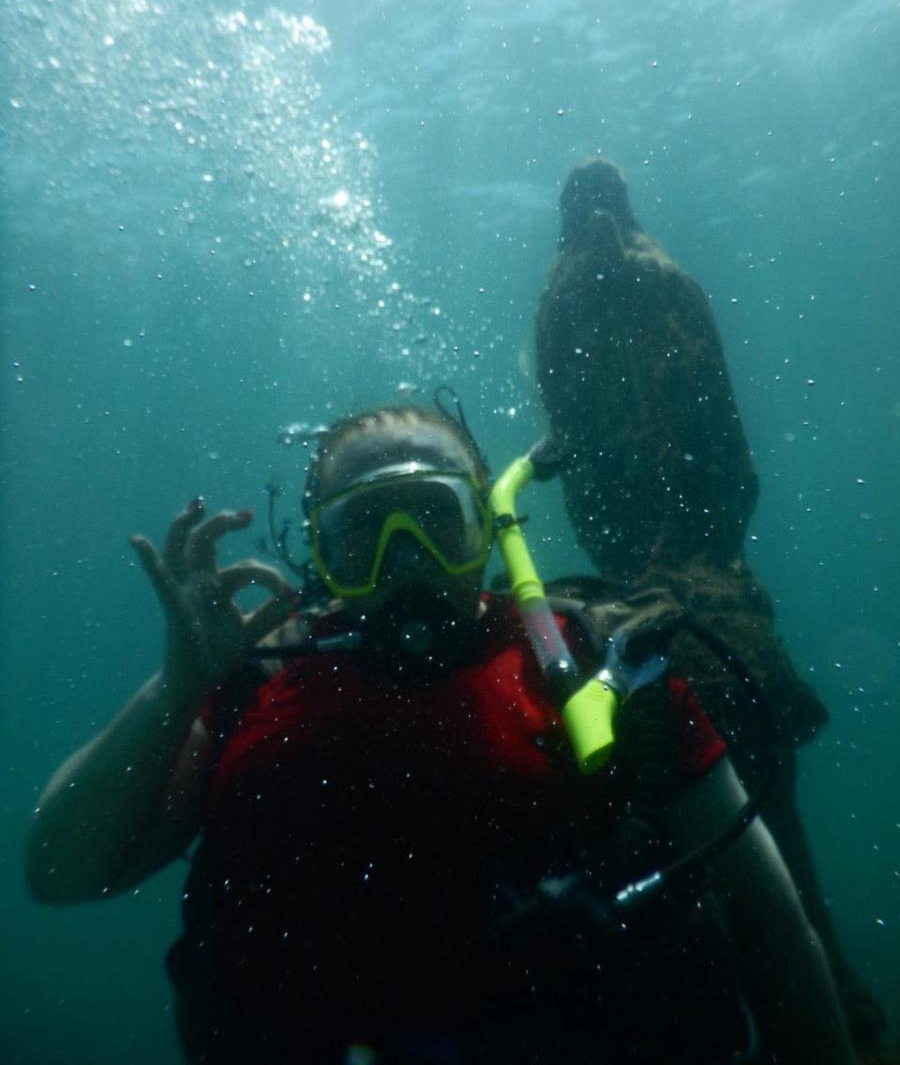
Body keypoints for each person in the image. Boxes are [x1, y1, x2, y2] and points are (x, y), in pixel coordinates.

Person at [27, 399, 857, 1064]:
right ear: (317, 550)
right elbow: (59, 870)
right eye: (364, 533)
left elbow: (775, 935)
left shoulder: (606, 668)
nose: (405, 560)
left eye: (434, 520)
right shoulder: (252, 680)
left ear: (488, 531)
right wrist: (179, 687)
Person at [534, 155, 889, 1060]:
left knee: (705, 900)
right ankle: (832, 1024)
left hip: (662, 617)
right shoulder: (670, 279)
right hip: (718, 605)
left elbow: (597, 461)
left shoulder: (563, 300)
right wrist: (709, 552)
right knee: (783, 894)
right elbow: (720, 456)